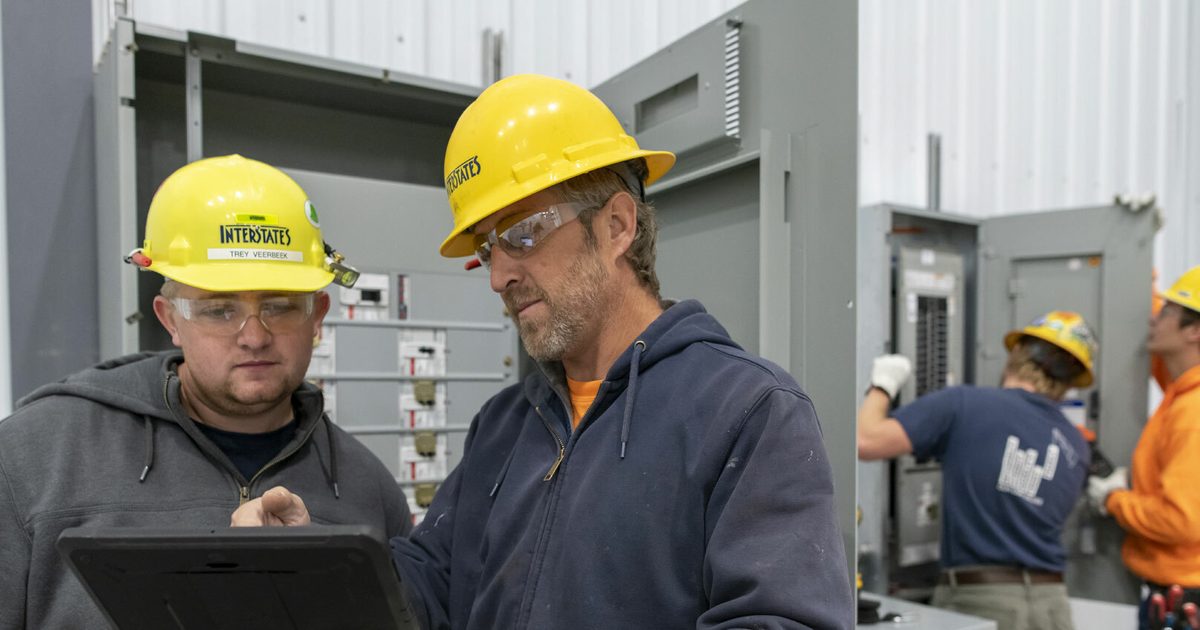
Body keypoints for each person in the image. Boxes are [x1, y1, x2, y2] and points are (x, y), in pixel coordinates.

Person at [233, 73, 853, 628]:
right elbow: (426, 587)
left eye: (523, 234)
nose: (499, 275)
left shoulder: (746, 414)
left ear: (617, 225)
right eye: (486, 247)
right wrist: (316, 561)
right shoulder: (504, 425)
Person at [0, 155, 412, 629]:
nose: (254, 336)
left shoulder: (368, 488)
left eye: (279, 307)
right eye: (219, 310)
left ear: (318, 315)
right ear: (169, 318)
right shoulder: (35, 458)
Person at [857, 311, 1096, 630]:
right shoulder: (1076, 443)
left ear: (1017, 353)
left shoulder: (965, 405)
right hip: (1052, 607)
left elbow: (865, 441)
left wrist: (883, 385)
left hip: (982, 601)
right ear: (1070, 380)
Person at [1088, 265, 1200, 629]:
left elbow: (1181, 521)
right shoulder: (1182, 389)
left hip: (1183, 598)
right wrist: (1141, 263)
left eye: (1165, 314)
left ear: (1194, 332)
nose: (1153, 319)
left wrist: (1114, 500)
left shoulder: (1193, 411)